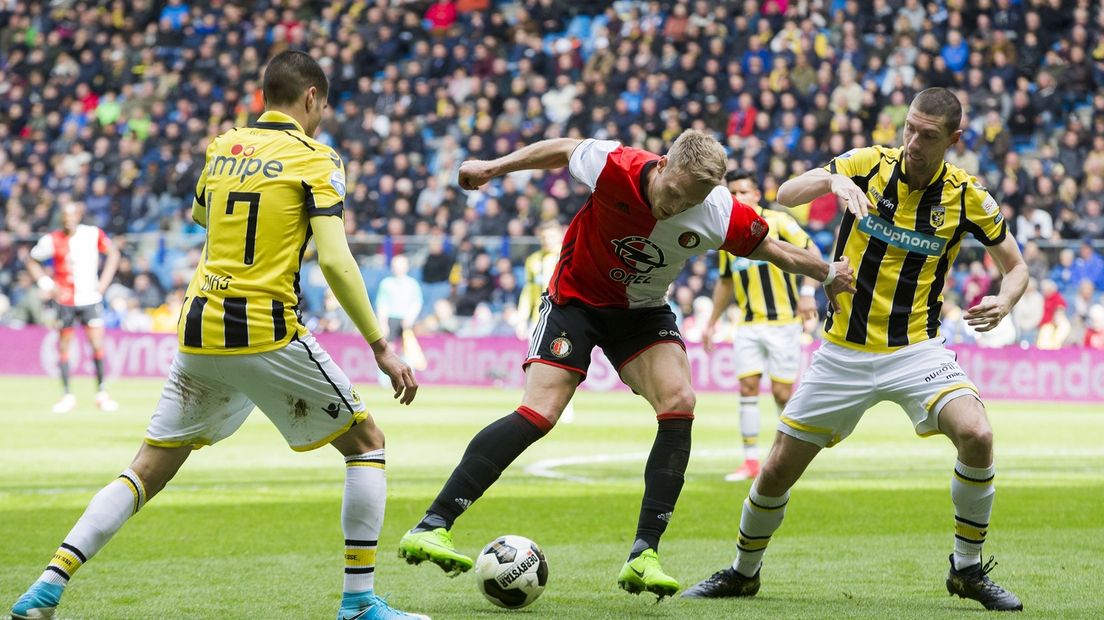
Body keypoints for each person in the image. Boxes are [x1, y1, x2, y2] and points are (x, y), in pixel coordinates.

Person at [10, 51, 427, 620]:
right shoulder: (318, 158)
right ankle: (358, 603)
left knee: (146, 469)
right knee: (367, 443)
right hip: (264, 327)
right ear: (310, 99)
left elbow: (202, 218)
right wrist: (380, 343)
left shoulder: (223, 146)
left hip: (199, 328)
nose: (322, 116)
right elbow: (334, 258)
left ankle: (47, 586)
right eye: (323, 106)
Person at [397, 129, 854, 600]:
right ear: (663, 167)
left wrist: (827, 273)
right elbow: (561, 148)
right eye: (674, 194)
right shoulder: (615, 165)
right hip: (574, 301)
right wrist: (493, 168)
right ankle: (434, 524)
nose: (675, 208)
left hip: (642, 312)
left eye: (690, 202)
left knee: (680, 400)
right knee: (541, 411)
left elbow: (773, 250)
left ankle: (644, 555)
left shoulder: (718, 210)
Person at [682, 88, 1028, 612]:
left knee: (977, 434)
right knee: (776, 470)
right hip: (843, 351)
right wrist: (832, 178)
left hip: (917, 350)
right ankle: (742, 572)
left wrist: (1005, 299)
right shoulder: (867, 164)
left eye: (927, 135)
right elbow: (786, 193)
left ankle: (966, 569)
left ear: (954, 139)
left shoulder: (967, 196)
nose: (911, 141)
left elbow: (1017, 266)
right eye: (908, 128)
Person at [703, 170, 820, 482]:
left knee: (783, 393)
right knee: (747, 388)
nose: (739, 198)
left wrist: (808, 293)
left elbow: (813, 252)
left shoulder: (779, 223)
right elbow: (726, 282)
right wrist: (711, 323)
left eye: (744, 192)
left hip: (784, 324)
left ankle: (788, 459)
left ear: (757, 194)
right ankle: (751, 462)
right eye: (733, 193)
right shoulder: (728, 234)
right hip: (748, 324)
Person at [25, 201, 122, 413]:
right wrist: (47, 285)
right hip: (65, 301)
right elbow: (31, 260)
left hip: (90, 299)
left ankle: (101, 393)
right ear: (62, 218)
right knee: (64, 347)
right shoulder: (52, 239)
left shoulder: (93, 234)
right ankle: (67, 395)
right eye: (65, 216)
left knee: (97, 344)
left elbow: (114, 253)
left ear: (78, 216)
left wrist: (104, 283)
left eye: (72, 215)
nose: (68, 219)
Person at [515, 220, 577, 422]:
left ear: (559, 236)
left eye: (550, 237)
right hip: (538, 319)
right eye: (543, 237)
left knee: (562, 363)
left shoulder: (568, 256)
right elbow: (528, 290)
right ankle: (531, 404)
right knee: (533, 363)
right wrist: (522, 317)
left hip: (563, 318)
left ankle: (563, 407)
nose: (546, 241)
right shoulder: (533, 260)